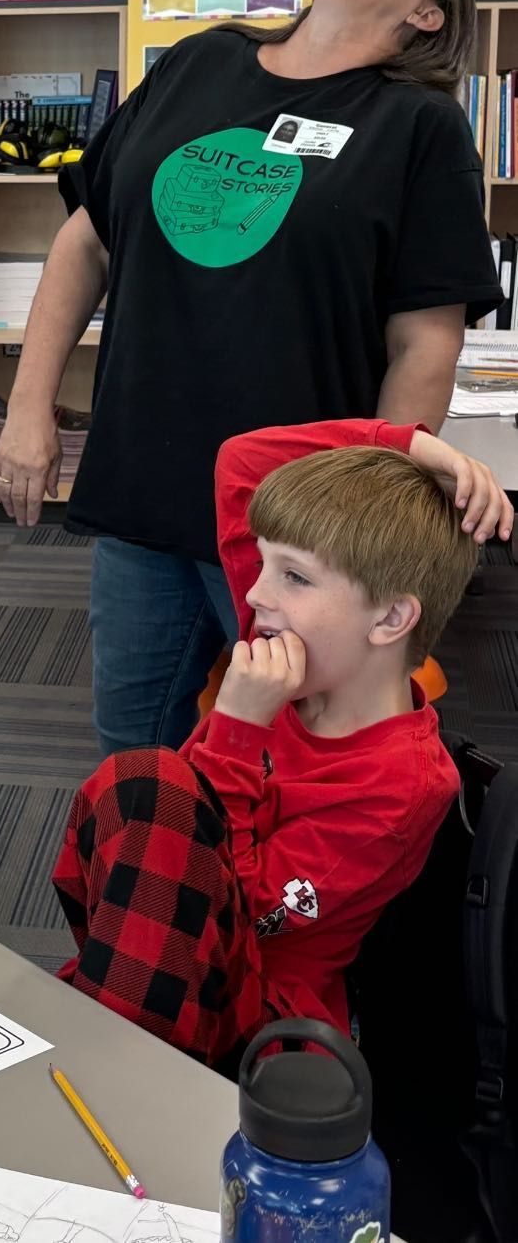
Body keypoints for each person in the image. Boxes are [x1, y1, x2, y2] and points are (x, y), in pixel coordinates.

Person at [0, 0, 502, 757]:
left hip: (296, 524)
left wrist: (363, 522)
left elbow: (425, 342)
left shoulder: (418, 126)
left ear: (427, 12)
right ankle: (148, 892)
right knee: (135, 751)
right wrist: (28, 408)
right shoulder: (201, 63)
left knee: (293, 760)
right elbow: (85, 241)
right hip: (143, 491)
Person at [52, 417, 512, 1070]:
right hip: (172, 968)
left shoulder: (402, 783)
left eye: (293, 576)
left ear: (388, 618)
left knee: (150, 788)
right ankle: (114, 1040)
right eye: (263, 562)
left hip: (260, 1026)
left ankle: (116, 1065)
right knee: (141, 785)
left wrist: (235, 732)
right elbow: (243, 458)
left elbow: (239, 911)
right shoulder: (290, 655)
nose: (255, 592)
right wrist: (419, 448)